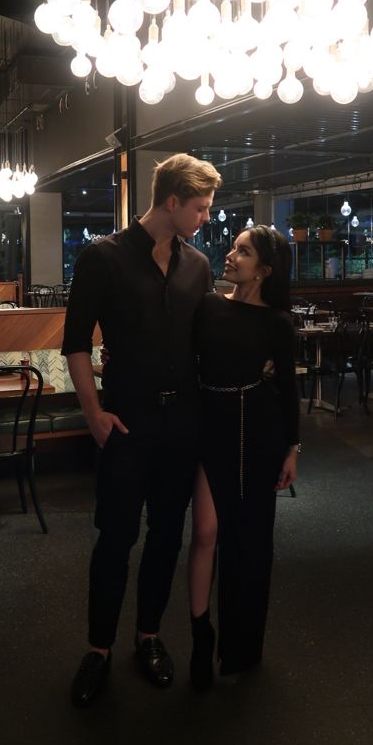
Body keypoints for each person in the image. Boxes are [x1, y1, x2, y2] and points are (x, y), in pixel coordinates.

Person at [63, 153, 222, 707]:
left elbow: (207, 345)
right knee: (116, 537)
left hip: (184, 423)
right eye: (199, 207)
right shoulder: (102, 257)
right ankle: (98, 648)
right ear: (172, 202)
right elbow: (76, 344)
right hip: (126, 420)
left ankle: (147, 636)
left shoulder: (198, 266)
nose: (206, 216)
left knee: (165, 538)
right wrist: (93, 414)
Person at [187, 225, 300, 690]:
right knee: (207, 532)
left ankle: (243, 648)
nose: (231, 256)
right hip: (209, 424)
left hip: (259, 430)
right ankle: (200, 634)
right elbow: (182, 357)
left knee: (253, 542)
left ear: (264, 270)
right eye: (233, 247)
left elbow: (289, 388)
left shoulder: (278, 322)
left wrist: (292, 448)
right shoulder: (209, 305)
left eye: (243, 251)